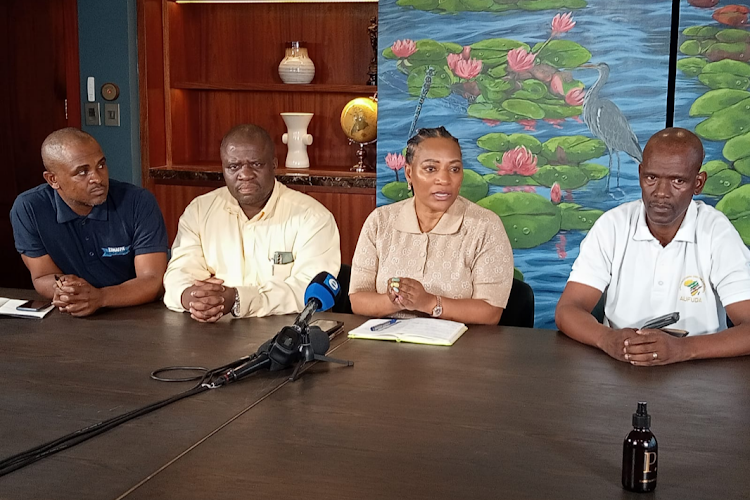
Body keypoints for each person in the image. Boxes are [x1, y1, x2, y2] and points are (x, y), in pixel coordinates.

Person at [555, 127, 750, 365]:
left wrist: (682, 349)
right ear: (639, 174)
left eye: (677, 181)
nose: (661, 193)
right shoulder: (613, 225)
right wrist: (608, 339)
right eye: (651, 178)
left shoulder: (716, 232)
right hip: (619, 366)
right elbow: (568, 309)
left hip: (699, 371)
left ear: (698, 183)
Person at [163, 124, 341, 322]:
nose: (245, 175)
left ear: (274, 164)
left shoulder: (313, 217)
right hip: (212, 332)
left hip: (288, 336)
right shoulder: (199, 211)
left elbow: (309, 293)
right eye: (233, 167)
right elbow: (178, 273)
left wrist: (238, 299)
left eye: (256, 164)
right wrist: (194, 298)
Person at [349, 127, 514, 325]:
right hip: (387, 344)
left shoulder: (485, 226)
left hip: (461, 349)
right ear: (409, 173)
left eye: (454, 169)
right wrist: (396, 301)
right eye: (430, 169)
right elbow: (357, 299)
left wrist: (428, 303)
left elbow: (490, 312)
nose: (444, 180)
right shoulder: (380, 221)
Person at [10, 127, 169, 317]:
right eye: (82, 172)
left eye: (101, 165)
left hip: (137, 313)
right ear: (53, 180)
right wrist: (67, 291)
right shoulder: (29, 208)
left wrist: (100, 297)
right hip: (72, 316)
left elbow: (152, 280)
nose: (97, 178)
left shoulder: (138, 202)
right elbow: (43, 276)